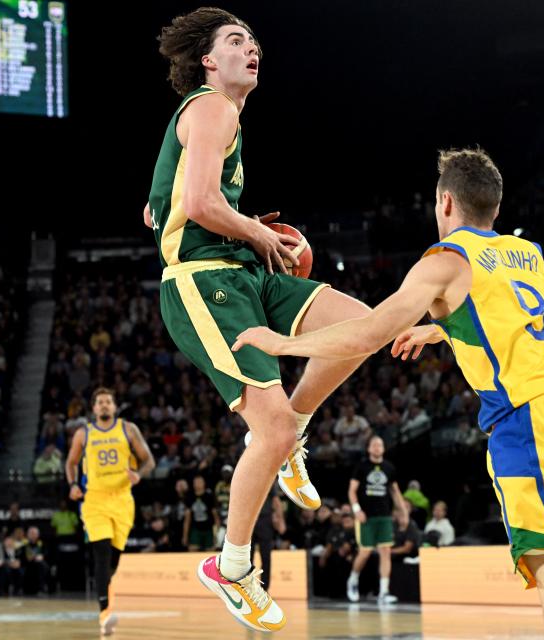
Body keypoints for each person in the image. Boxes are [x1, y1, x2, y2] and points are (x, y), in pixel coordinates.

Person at [234, 148, 544, 639]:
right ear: (495, 209)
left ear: (444, 203)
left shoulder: (445, 261)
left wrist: (282, 342)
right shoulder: (528, 255)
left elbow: (368, 333)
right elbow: (509, 318)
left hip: (532, 431)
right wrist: (443, 331)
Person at [147, 8, 371, 631]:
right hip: (204, 284)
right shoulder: (211, 106)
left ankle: (293, 429)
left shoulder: (214, 119)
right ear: (207, 61)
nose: (254, 50)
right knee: (264, 432)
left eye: (255, 42)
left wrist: (238, 232)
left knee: (359, 327)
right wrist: (254, 232)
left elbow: (160, 207)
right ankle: (233, 565)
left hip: (239, 273)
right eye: (237, 41)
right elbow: (197, 204)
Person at [65, 388, 155, 636]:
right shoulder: (83, 433)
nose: (104, 406)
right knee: (102, 555)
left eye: (108, 402)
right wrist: (73, 484)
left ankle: (107, 598)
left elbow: (149, 460)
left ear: (114, 407)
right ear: (93, 408)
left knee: (114, 561)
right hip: (94, 500)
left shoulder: (128, 429)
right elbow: (71, 462)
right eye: (100, 402)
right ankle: (104, 613)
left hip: (123, 501)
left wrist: (139, 474)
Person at [346, 436, 407, 604]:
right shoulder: (362, 467)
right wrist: (356, 510)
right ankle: (352, 580)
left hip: (385, 516)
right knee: (364, 552)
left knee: (385, 552)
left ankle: (384, 592)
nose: (377, 447)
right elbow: (351, 491)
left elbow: (395, 492)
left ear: (384, 448)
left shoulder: (389, 468)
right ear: (369, 449)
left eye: (380, 444)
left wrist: (403, 513)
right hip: (366, 516)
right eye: (374, 444)